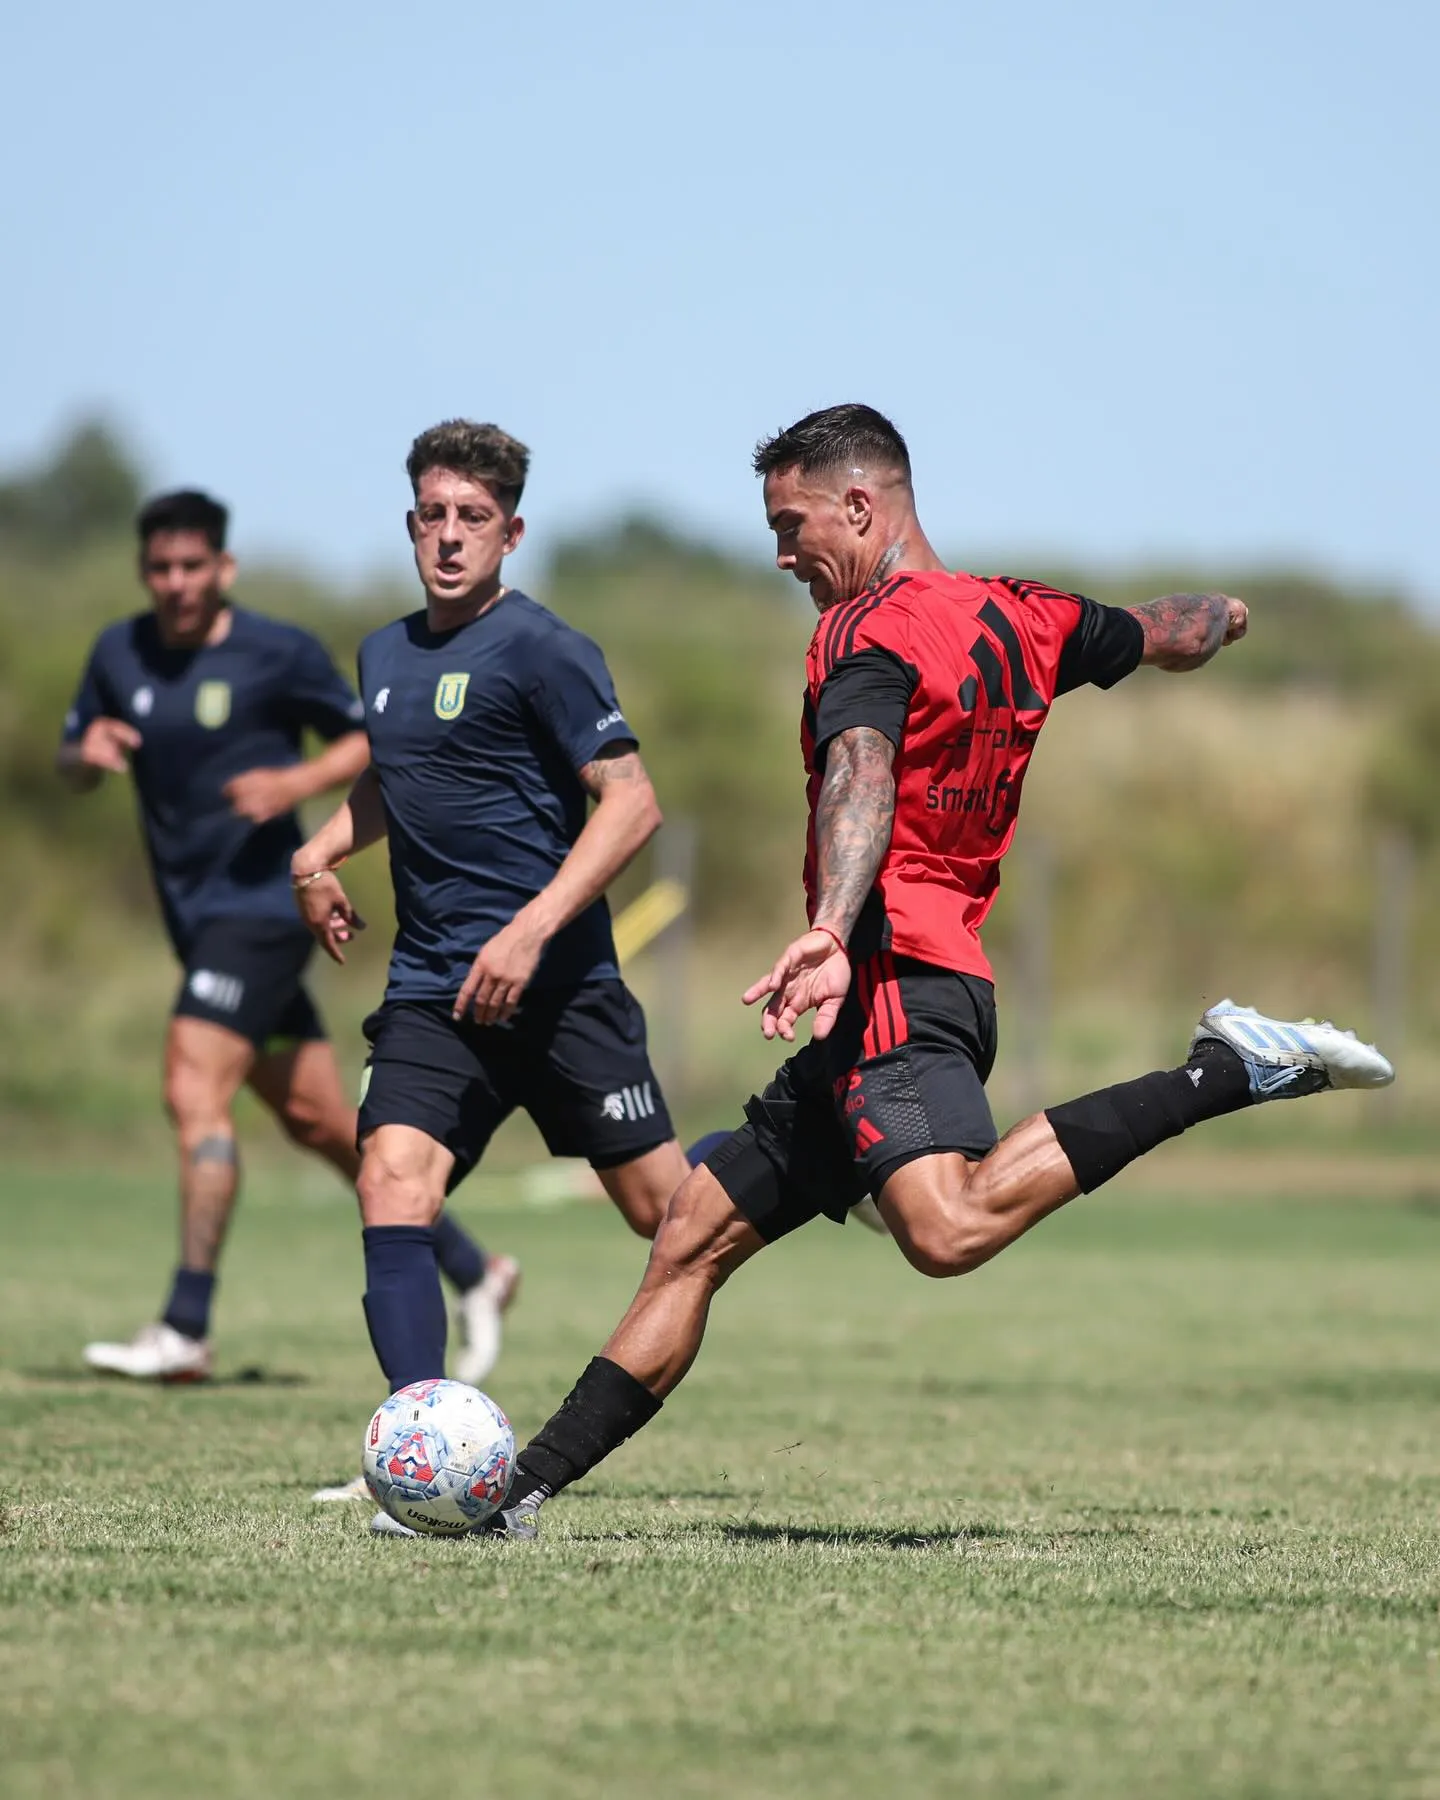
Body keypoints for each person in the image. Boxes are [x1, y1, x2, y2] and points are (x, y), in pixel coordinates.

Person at [467, 403, 1394, 1543]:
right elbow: (1168, 629)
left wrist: (828, 924)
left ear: (861, 507)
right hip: (890, 994)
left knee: (946, 1231)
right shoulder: (1027, 616)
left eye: (792, 525)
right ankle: (513, 1498)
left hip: (895, 976)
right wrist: (1227, 616)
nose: (782, 555)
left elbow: (863, 769)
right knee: (690, 1238)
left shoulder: (865, 631)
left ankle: (1226, 1070)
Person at [291, 420, 697, 1521]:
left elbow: (633, 804)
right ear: (410, 524)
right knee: (391, 1180)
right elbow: (396, 774)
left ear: (511, 534)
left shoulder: (545, 650)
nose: (451, 536)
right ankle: (417, 1448)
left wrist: (530, 931)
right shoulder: (383, 655)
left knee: (668, 1214)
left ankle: (799, 1164)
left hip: (563, 993)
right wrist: (317, 854)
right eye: (434, 515)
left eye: (474, 518)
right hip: (434, 990)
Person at [59, 488, 513, 1384]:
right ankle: (477, 1268)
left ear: (223, 568)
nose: (177, 582)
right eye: (160, 568)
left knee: (193, 1088)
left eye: (193, 566)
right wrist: (87, 753)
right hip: (195, 923)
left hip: (264, 912)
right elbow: (70, 760)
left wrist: (291, 784)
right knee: (318, 1121)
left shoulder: (277, 651)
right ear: (145, 571)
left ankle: (185, 1324)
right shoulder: (119, 653)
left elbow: (369, 741)